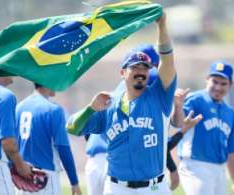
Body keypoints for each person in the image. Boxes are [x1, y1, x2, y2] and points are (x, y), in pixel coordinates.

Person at [66, 11, 202, 195]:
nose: (140, 71)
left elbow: (167, 61)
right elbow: (72, 128)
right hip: (117, 188)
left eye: (144, 68)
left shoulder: (159, 97)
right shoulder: (108, 105)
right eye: (134, 67)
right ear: (123, 73)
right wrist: (90, 109)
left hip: (155, 188)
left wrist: (161, 26)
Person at [83, 44, 192, 195]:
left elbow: (86, 131)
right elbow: (151, 136)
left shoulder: (122, 87)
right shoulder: (147, 82)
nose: (144, 70)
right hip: (121, 163)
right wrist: (172, 168)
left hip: (100, 159)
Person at [177, 61, 234, 195]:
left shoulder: (230, 112)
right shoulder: (195, 100)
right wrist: (178, 106)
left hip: (219, 171)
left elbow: (232, 150)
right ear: (207, 79)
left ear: (230, 85)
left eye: (223, 83)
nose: (218, 87)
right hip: (195, 166)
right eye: (215, 81)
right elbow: (177, 123)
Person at [15, 83, 82, 195]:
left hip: (23, 178)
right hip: (45, 178)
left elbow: (12, 144)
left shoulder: (19, 107)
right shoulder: (53, 109)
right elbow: (63, 149)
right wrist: (74, 182)